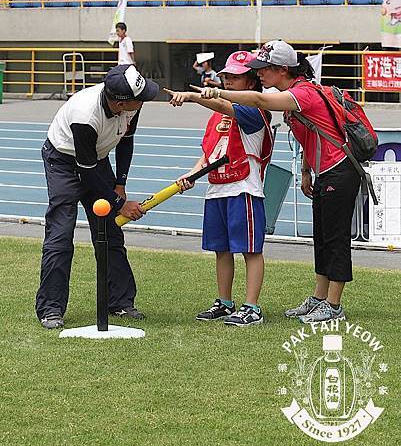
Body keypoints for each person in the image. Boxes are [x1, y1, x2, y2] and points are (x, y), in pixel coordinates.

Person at [197, 40, 362, 324]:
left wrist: (215, 91)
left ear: (282, 69)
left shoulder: (302, 94)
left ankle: (334, 304)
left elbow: (259, 101)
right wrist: (307, 171)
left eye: (264, 69)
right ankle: (319, 298)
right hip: (325, 171)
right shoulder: (293, 96)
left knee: (335, 238)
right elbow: (310, 136)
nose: (259, 73)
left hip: (341, 169)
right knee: (321, 238)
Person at [36, 64, 159, 329]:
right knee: (61, 234)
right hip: (64, 162)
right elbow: (86, 171)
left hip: (96, 160)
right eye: (141, 97)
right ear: (119, 101)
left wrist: (120, 184)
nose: (145, 100)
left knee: (110, 233)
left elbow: (126, 140)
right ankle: (50, 309)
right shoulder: (85, 115)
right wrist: (120, 205)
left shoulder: (132, 105)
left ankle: (120, 303)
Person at [165, 51, 273, 327]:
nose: (227, 81)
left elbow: (228, 107)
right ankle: (225, 302)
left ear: (251, 81)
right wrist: (191, 174)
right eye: (225, 76)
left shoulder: (256, 112)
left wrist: (191, 97)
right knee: (221, 250)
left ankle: (252, 308)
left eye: (235, 77)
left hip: (243, 189)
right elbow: (209, 153)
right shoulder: (217, 114)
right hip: (217, 190)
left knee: (250, 250)